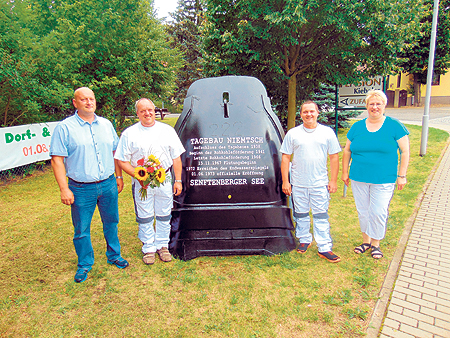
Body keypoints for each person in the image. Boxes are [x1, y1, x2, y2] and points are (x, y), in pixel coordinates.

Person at [50, 87, 129, 283]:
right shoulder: (65, 128)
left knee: (111, 222)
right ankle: (85, 263)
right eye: (83, 99)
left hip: (108, 184)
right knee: (81, 229)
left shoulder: (106, 124)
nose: (89, 102)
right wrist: (64, 188)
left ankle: (114, 255)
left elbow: (115, 153)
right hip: (81, 188)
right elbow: (57, 159)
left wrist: (118, 177)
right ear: (75, 103)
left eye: (91, 99)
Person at [114, 98, 185, 265]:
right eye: (143, 110)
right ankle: (148, 248)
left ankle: (162, 245)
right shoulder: (129, 134)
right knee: (145, 215)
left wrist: (178, 180)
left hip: (164, 178)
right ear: (137, 113)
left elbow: (176, 157)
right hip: (141, 182)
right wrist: (139, 175)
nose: (147, 113)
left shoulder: (167, 131)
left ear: (155, 111)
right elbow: (121, 160)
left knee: (164, 213)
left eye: (150, 110)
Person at [341, 90, 409, 259]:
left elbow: (405, 151)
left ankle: (376, 243)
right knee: (363, 211)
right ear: (367, 106)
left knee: (378, 211)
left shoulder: (394, 125)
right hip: (358, 177)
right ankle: (366, 241)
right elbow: (347, 150)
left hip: (383, 179)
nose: (375, 107)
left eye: (378, 104)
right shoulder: (357, 126)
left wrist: (402, 175)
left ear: (384, 106)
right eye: (371, 104)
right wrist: (344, 172)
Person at [281, 100, 342, 263]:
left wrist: (333, 180)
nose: (309, 114)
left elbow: (334, 157)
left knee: (321, 215)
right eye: (305, 112)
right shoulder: (293, 134)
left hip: (319, 183)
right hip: (298, 183)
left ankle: (324, 247)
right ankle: (304, 239)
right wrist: (285, 181)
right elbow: (286, 157)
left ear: (317, 113)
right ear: (300, 114)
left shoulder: (327, 132)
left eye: (312, 111)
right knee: (300, 214)